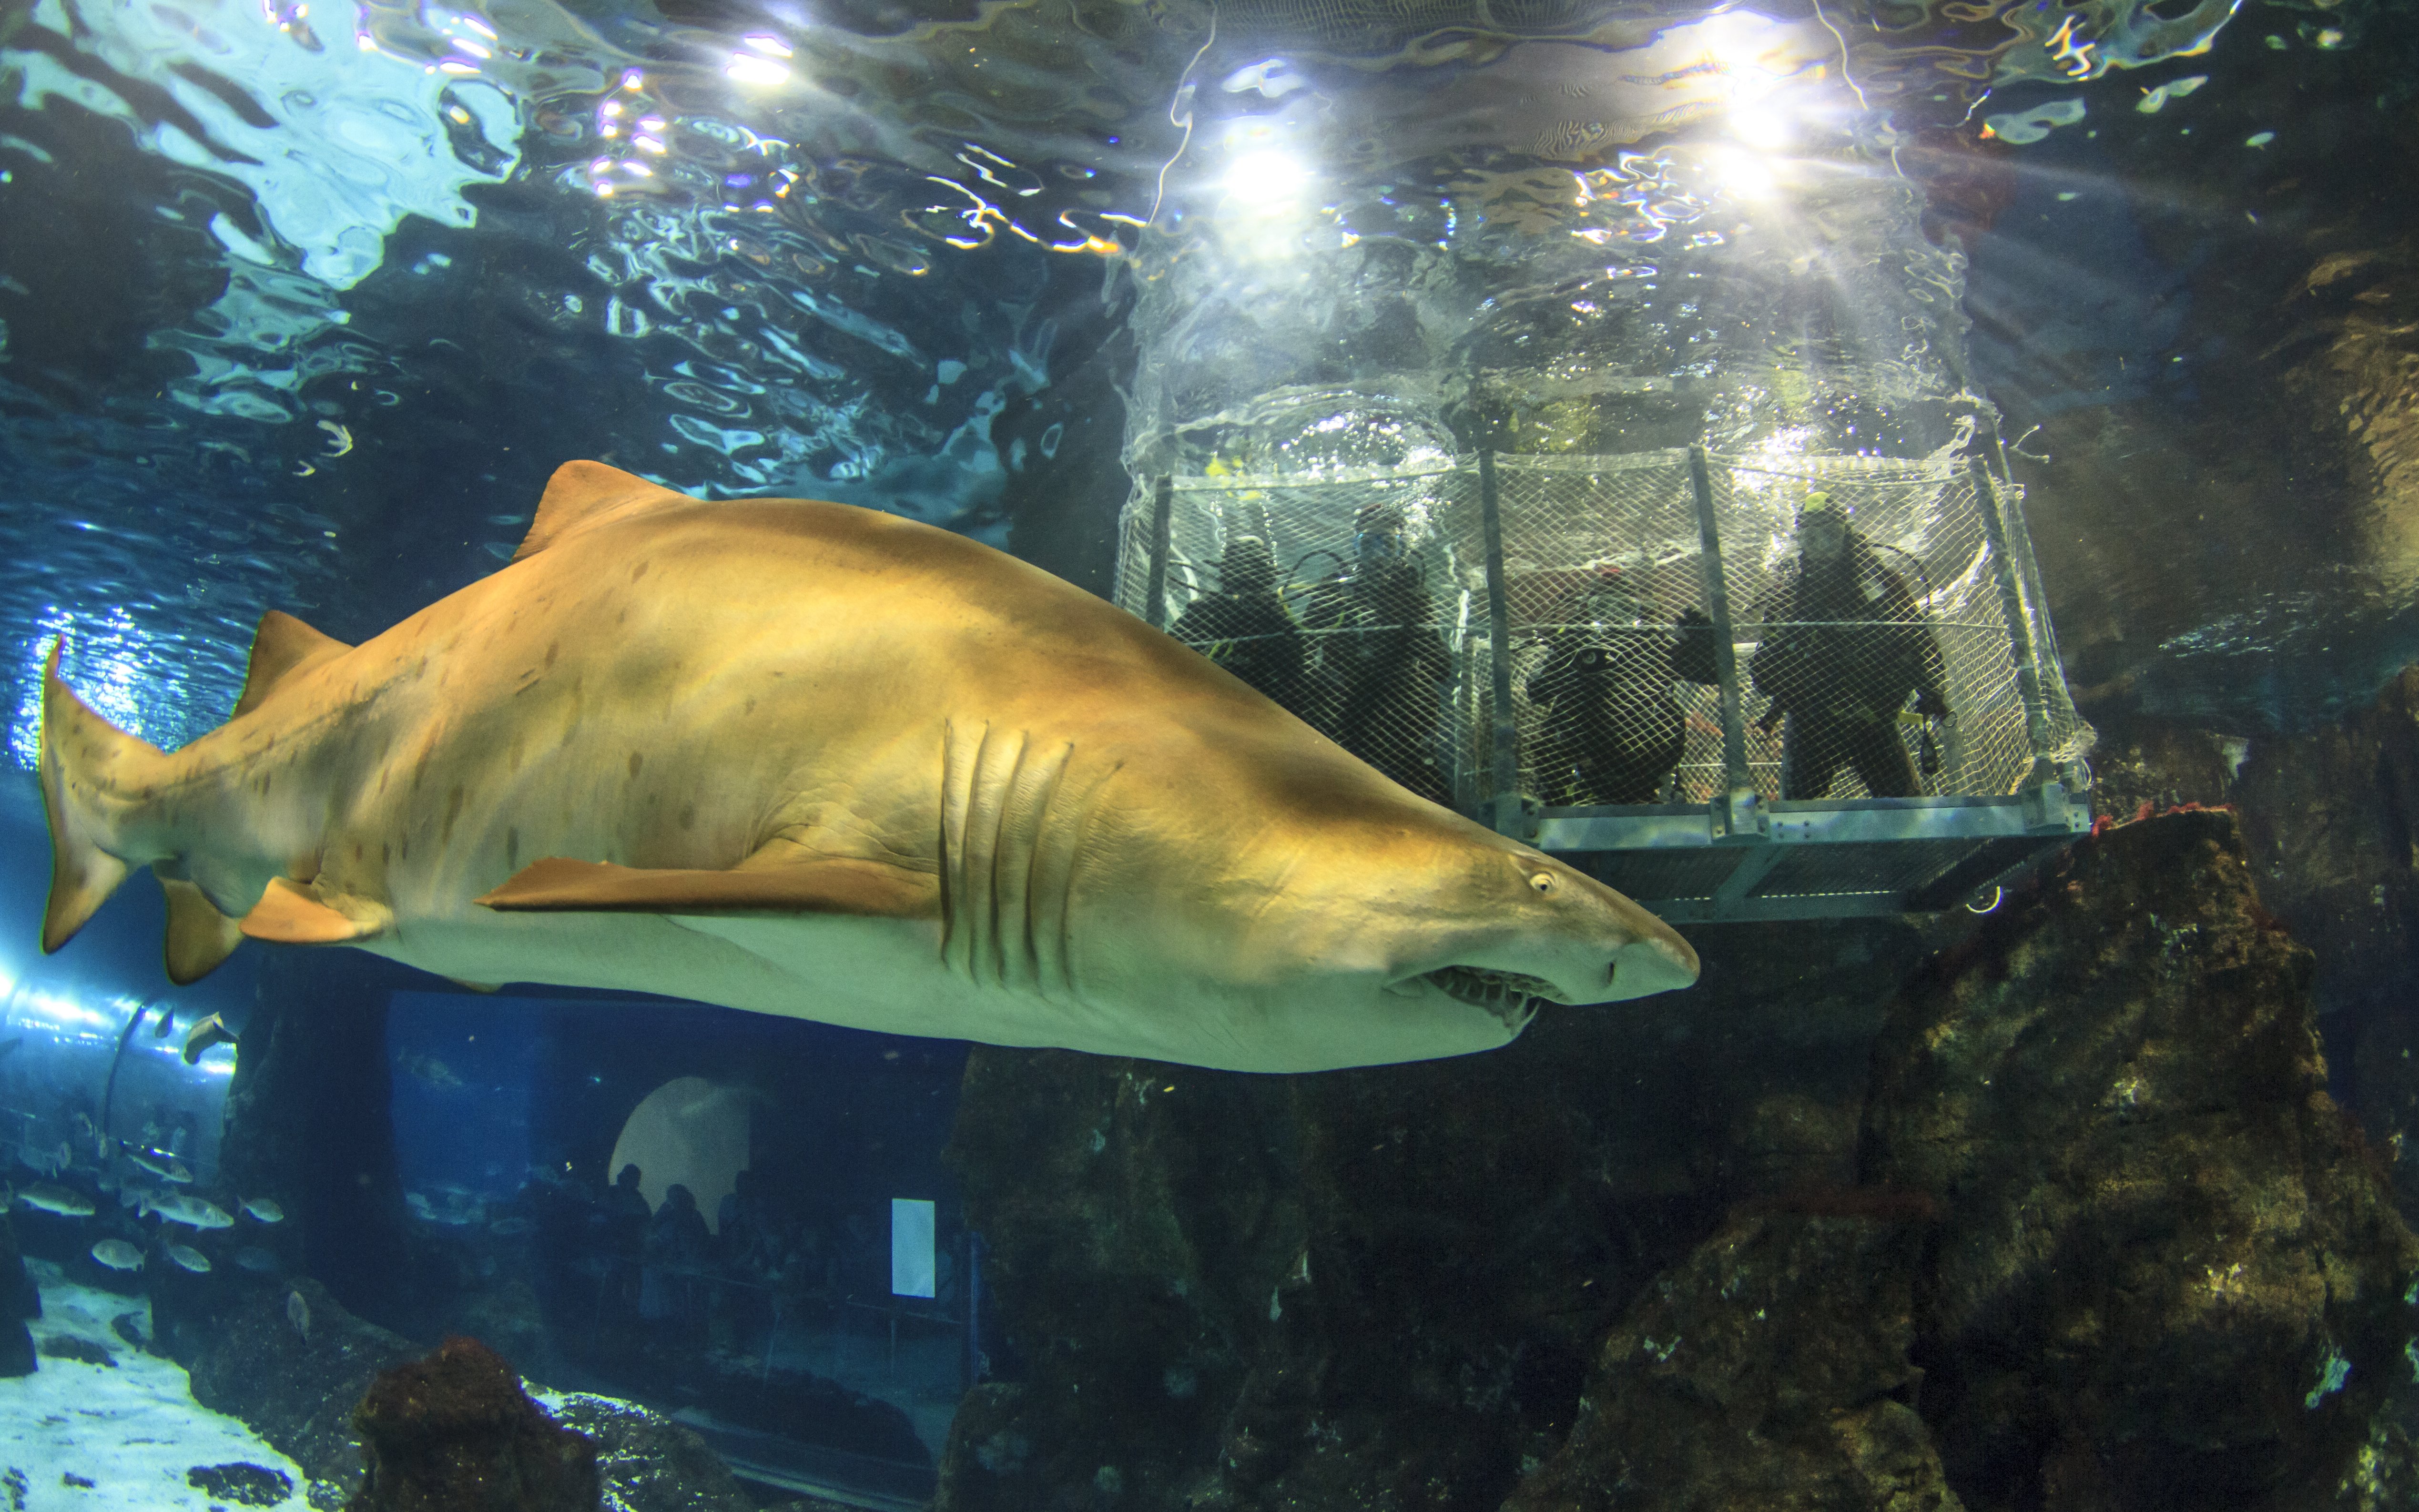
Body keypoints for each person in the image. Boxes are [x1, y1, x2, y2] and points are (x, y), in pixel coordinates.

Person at [1747, 492, 1949, 800]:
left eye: (1830, 536)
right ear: (1801, 541)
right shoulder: (1787, 595)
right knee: (1799, 818)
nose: (1822, 549)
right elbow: (1764, 669)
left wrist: (1932, 690)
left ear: (1847, 536)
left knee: (1907, 812)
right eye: (1812, 539)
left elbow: (1919, 641)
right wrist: (1780, 677)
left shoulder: (1884, 585)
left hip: (1873, 719)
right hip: (1813, 724)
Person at [1298, 500, 1453, 803]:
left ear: (1402, 549)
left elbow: (1441, 668)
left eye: (1390, 545)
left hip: (1401, 723)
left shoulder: (1413, 596)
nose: (1378, 556)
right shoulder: (1333, 589)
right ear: (1355, 547)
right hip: (1341, 719)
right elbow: (1302, 654)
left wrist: (1414, 625)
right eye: (1368, 544)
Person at [1524, 569, 1694, 805]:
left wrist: (1693, 649)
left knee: (1669, 707)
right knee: (1559, 718)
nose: (1613, 618)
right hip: (1585, 742)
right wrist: (1575, 670)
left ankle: (1662, 785)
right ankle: (1557, 793)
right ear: (1589, 610)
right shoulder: (1575, 641)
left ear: (1638, 611)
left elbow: (1692, 675)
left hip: (1643, 747)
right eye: (1603, 609)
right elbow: (1537, 690)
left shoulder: (1652, 642)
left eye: (1623, 609)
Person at [1168, 534, 1307, 710]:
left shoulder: (1208, 608)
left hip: (1232, 701)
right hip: (1223, 700)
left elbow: (1295, 665)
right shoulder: (1208, 609)